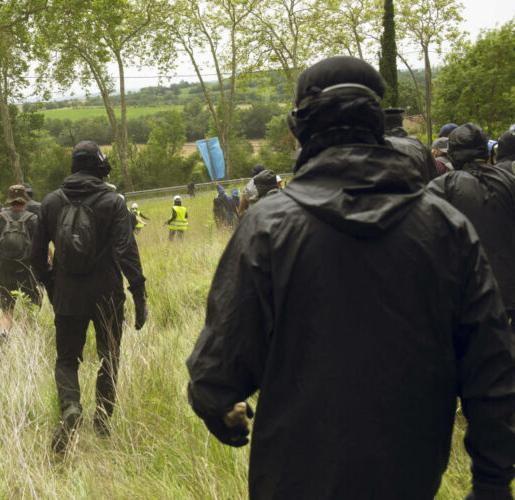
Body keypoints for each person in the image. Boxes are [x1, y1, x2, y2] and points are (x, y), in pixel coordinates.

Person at [186, 57, 515, 499]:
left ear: (299, 128)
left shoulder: (267, 227)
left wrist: (218, 409)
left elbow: (216, 374)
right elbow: (492, 370)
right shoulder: (444, 227)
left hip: (292, 478)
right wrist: (492, 483)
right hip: (411, 478)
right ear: (378, 124)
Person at [31, 140, 147, 454]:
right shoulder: (113, 202)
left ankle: (70, 407)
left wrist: (53, 288)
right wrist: (139, 294)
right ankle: (102, 419)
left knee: (67, 359)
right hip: (108, 293)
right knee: (109, 355)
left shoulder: (51, 203)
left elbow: (36, 256)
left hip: (68, 294)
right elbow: (126, 252)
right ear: (99, 166)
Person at [428, 123, 515, 323]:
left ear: (453, 153)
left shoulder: (441, 186)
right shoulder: (509, 181)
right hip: (508, 293)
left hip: (463, 294)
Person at [0, 185, 41, 345]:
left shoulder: (0, 218)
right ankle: (25, 341)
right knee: (30, 308)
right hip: (28, 270)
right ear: (25, 199)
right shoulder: (33, 219)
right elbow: (43, 247)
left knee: (7, 312)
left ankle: (4, 332)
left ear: (9, 200)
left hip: (5, 270)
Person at [383, 107, 439, 182]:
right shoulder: (419, 144)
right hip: (419, 191)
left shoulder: (375, 145)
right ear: (401, 123)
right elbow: (434, 175)